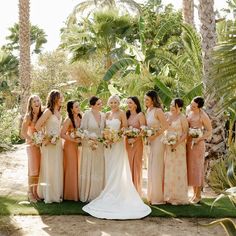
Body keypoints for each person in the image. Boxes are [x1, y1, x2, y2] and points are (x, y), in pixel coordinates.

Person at [82, 95, 151, 219]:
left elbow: (124, 128)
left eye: (116, 102)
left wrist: (115, 137)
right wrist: (106, 138)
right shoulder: (106, 114)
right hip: (107, 146)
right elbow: (103, 129)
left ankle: (117, 192)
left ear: (119, 103)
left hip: (118, 144)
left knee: (116, 168)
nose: (113, 104)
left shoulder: (122, 113)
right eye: (111, 102)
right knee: (108, 168)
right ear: (109, 103)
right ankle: (107, 190)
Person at [35, 90, 63, 203]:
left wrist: (55, 137)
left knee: (56, 167)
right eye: (60, 98)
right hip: (49, 145)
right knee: (49, 168)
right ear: (54, 98)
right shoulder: (48, 111)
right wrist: (46, 137)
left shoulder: (58, 111)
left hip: (57, 143)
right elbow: (37, 126)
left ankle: (56, 193)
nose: (62, 99)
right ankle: (49, 195)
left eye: (62, 98)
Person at [79, 96, 105, 202]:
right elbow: (82, 130)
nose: (101, 105)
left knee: (98, 167)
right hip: (89, 145)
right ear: (92, 105)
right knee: (90, 167)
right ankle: (88, 193)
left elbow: (104, 130)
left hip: (100, 145)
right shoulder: (87, 114)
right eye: (98, 104)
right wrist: (90, 137)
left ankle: (99, 193)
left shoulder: (103, 115)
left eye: (101, 103)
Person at [186, 96, 212, 203]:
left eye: (193, 105)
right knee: (191, 169)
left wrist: (199, 138)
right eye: (191, 104)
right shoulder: (190, 112)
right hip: (189, 144)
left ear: (199, 106)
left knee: (197, 169)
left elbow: (209, 131)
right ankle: (193, 194)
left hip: (198, 145)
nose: (191, 106)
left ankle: (198, 195)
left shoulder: (203, 115)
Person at [163, 98, 189, 205]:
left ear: (180, 107)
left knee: (178, 170)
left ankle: (178, 196)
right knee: (169, 169)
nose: (171, 107)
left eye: (174, 105)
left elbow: (185, 133)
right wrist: (167, 140)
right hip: (168, 145)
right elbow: (163, 128)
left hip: (179, 147)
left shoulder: (182, 118)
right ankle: (168, 195)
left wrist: (176, 144)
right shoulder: (167, 115)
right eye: (170, 105)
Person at [145, 90, 168, 205]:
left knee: (157, 167)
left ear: (153, 100)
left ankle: (158, 198)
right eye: (145, 99)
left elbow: (165, 126)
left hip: (158, 141)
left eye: (147, 99)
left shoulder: (158, 111)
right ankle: (151, 195)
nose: (145, 101)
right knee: (151, 167)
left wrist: (154, 136)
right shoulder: (148, 110)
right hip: (150, 141)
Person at [21, 95, 43, 202]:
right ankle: (30, 193)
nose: (36, 102)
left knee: (38, 170)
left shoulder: (41, 115)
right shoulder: (28, 116)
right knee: (33, 170)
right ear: (31, 104)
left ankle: (35, 192)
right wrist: (33, 140)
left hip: (40, 146)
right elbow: (23, 133)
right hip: (31, 145)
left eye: (38, 100)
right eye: (34, 101)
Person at [61, 100, 82, 201]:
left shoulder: (80, 117)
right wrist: (73, 140)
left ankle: (77, 192)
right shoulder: (68, 119)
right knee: (71, 168)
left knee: (77, 167)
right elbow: (62, 134)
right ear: (71, 109)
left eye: (79, 106)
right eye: (76, 106)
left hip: (78, 145)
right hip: (69, 146)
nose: (78, 108)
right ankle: (70, 194)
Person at [125, 96, 146, 195]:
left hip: (137, 143)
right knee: (128, 165)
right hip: (127, 143)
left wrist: (135, 139)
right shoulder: (127, 115)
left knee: (136, 165)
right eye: (127, 103)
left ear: (135, 104)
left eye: (130, 103)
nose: (128, 105)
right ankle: (128, 189)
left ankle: (136, 189)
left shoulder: (140, 115)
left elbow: (143, 130)